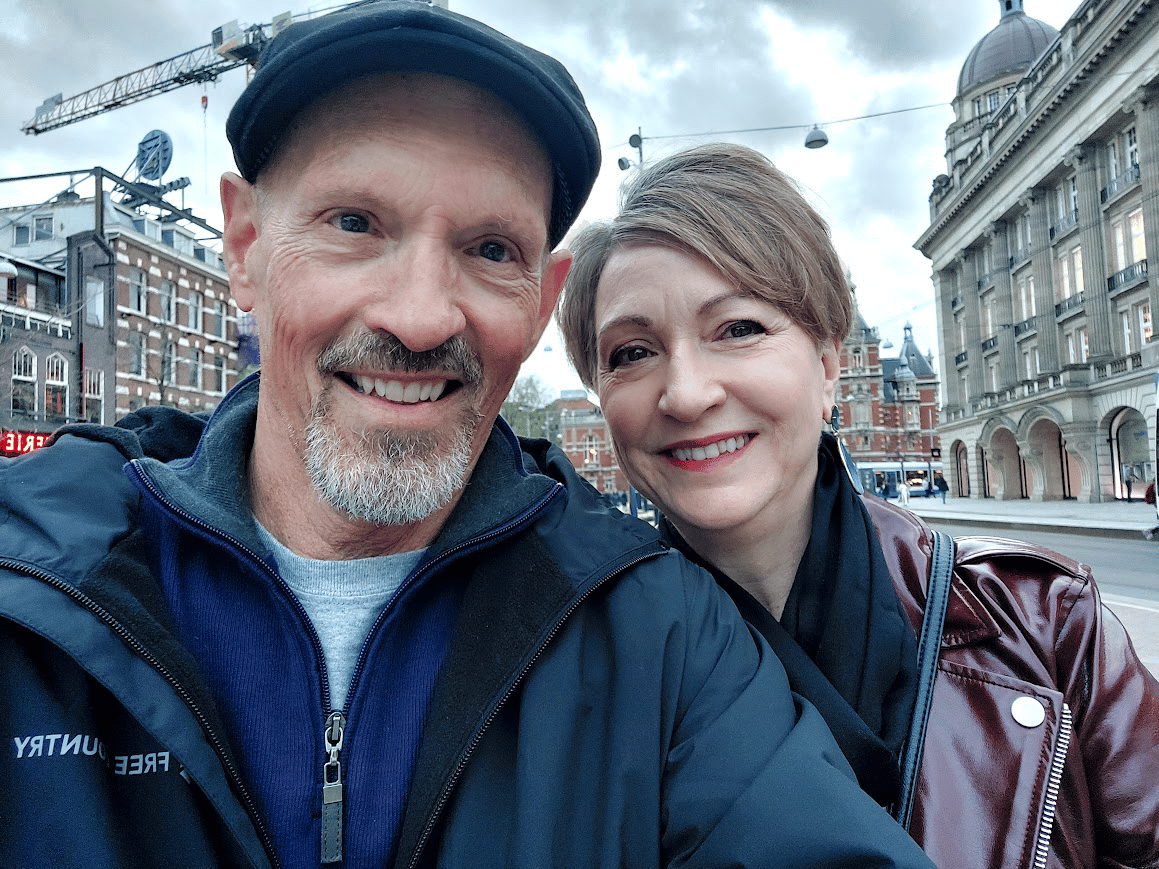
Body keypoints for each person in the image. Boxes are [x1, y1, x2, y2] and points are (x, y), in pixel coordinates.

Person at [0, 6, 936, 869]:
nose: (416, 317)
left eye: (490, 249)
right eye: (355, 223)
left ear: (541, 295)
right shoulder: (29, 588)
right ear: (244, 248)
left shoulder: (660, 634)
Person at [559, 142, 1159, 869]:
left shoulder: (1047, 625)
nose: (686, 392)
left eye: (739, 329)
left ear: (826, 367)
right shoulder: (565, 680)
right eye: (629, 352)